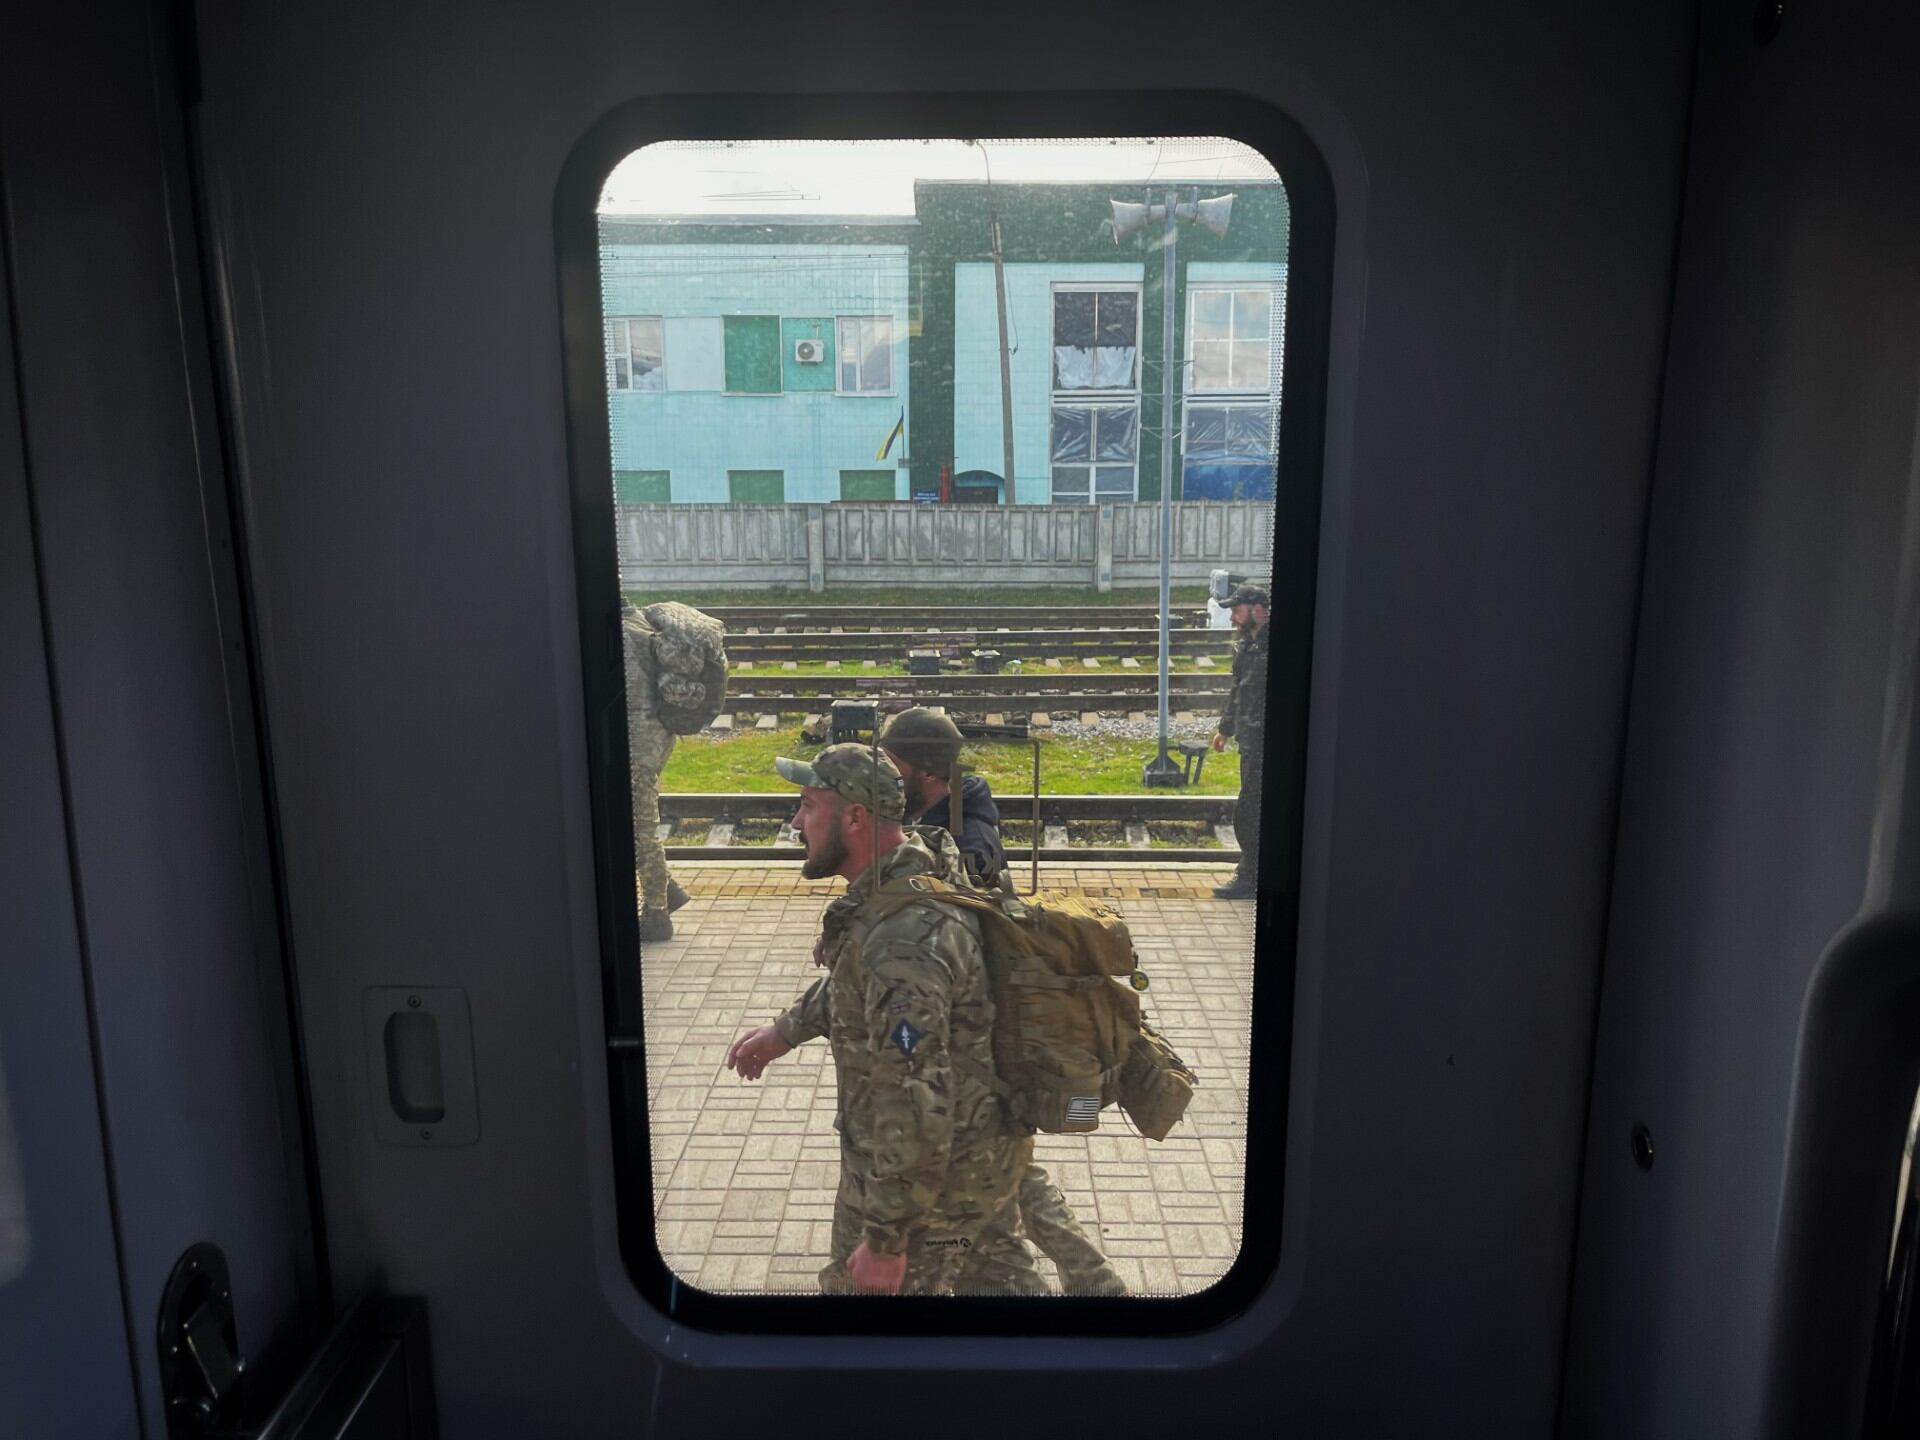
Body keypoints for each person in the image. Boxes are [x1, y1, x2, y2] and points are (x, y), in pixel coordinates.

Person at [724, 744, 1044, 1296]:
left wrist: (885, 1243)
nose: (795, 823)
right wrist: (787, 1030)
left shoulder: (902, 944)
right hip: (977, 1152)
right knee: (1004, 1297)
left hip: (930, 1186)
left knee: (861, 1312)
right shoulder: (910, 876)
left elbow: (914, 1096)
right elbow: (857, 984)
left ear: (854, 818)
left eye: (808, 806)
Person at [879, 707, 1128, 1297]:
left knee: (1002, 1172)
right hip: (969, 1024)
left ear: (926, 773)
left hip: (981, 1032)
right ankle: (1094, 1284)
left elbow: (950, 901)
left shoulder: (968, 835)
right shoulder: (944, 811)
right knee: (1012, 1167)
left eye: (893, 766)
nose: (886, 779)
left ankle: (1052, 1292)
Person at [622, 602, 691, 942]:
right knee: (629, 821)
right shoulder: (640, 623)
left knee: (640, 828)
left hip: (638, 746)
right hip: (652, 740)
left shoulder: (623, 635)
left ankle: (656, 913)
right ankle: (668, 890)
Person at [877, 707, 1005, 887]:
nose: (882, 773)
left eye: (891, 765)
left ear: (929, 773)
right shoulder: (911, 805)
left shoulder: (973, 850)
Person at [1210, 583, 1270, 900]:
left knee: (1250, 811)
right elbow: (1238, 691)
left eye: (1236, 610)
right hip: (1251, 743)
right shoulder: (1247, 647)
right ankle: (1251, 874)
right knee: (1250, 808)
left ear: (1257, 610)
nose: (1233, 617)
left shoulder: (1275, 647)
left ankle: (1249, 877)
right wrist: (1225, 729)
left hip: (1267, 746)